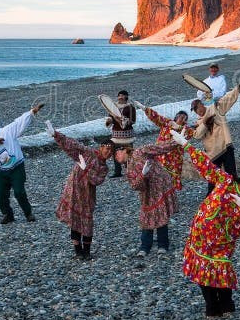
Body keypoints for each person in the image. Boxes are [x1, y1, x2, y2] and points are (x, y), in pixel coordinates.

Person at [169, 129, 240, 317]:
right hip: (200, 238)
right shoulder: (226, 181)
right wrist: (185, 144)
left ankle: (226, 305)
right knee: (202, 271)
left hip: (222, 245)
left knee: (221, 272)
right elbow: (206, 165)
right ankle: (211, 306)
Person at [48, 120, 111, 259]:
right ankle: (78, 251)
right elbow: (72, 145)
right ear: (101, 147)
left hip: (87, 196)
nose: (108, 152)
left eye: (111, 151)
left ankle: (87, 251)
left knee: (87, 221)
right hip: (74, 190)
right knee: (74, 220)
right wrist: (55, 135)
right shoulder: (87, 153)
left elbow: (96, 180)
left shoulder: (104, 168)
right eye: (107, 149)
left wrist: (85, 169)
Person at [0, 103, 43, 224]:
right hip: (3, 171)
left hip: (17, 167)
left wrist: (32, 112)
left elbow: (19, 122)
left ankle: (28, 213)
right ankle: (8, 214)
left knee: (19, 192)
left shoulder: (7, 131)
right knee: (2, 195)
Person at [115, 141, 179, 256]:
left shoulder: (141, 151)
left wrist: (177, 142)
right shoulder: (128, 169)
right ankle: (145, 247)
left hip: (160, 186)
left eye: (117, 153)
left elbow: (159, 148)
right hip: (148, 193)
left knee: (161, 214)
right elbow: (136, 186)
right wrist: (143, 174)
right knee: (146, 217)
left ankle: (162, 245)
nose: (116, 157)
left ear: (124, 150)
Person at [190, 78, 240, 191]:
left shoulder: (216, 107)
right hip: (213, 152)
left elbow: (229, 98)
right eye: (194, 110)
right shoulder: (198, 122)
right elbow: (197, 136)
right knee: (212, 179)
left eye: (197, 107)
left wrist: (239, 88)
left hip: (226, 146)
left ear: (202, 104)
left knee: (232, 175)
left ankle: (237, 196)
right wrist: (206, 123)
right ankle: (210, 200)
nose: (197, 111)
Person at [133, 101, 195, 190]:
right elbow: (156, 117)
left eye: (185, 118)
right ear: (176, 117)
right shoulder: (167, 123)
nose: (183, 120)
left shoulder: (185, 129)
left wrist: (180, 128)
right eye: (181, 117)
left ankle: (170, 195)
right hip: (161, 155)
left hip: (175, 159)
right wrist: (144, 108)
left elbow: (192, 134)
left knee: (172, 180)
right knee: (158, 176)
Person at [106, 90, 136, 178]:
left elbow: (133, 120)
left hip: (127, 135)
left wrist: (125, 121)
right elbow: (110, 118)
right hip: (116, 134)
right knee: (115, 153)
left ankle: (130, 171)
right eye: (119, 95)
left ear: (126, 97)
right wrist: (109, 121)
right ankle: (117, 172)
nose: (120, 97)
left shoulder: (130, 107)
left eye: (122, 96)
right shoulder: (113, 107)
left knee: (128, 153)